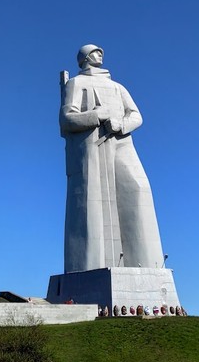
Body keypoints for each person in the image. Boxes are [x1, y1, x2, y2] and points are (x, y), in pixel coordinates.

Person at [60, 44, 165, 273]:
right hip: (92, 147)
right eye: (95, 52)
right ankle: (90, 268)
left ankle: (150, 266)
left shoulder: (117, 87)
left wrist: (121, 124)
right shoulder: (76, 83)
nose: (101, 54)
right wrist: (97, 115)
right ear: (85, 58)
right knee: (93, 206)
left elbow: (136, 115)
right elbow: (67, 119)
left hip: (122, 141)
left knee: (138, 188)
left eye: (100, 52)